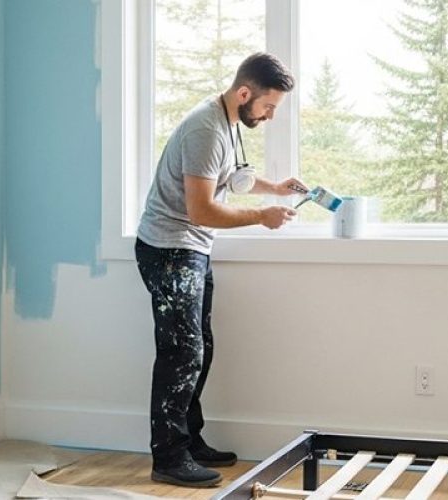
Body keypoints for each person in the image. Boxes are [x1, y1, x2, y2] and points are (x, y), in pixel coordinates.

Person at [135, 52, 304, 488]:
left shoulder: (228, 122)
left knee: (198, 347)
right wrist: (261, 217)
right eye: (268, 107)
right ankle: (169, 457)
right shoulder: (206, 129)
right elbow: (202, 208)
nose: (268, 116)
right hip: (169, 250)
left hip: (190, 249)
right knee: (182, 352)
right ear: (244, 93)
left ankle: (189, 441)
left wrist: (275, 188)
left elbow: (229, 177)